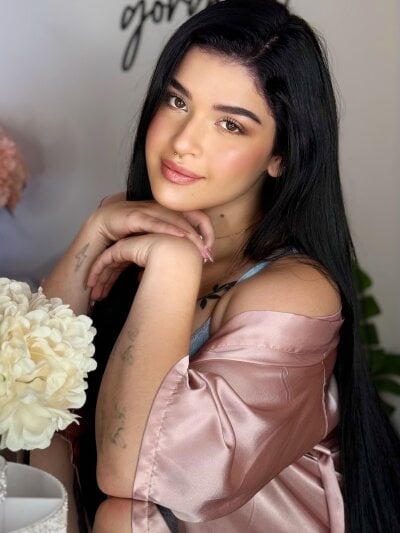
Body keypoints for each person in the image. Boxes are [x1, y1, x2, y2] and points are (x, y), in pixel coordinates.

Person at [31, 1, 400, 531]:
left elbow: (137, 473)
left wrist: (175, 264)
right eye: (177, 101)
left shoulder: (297, 292)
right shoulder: (136, 235)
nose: (184, 142)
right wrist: (97, 229)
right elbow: (27, 393)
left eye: (230, 124)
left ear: (280, 155)